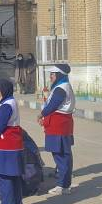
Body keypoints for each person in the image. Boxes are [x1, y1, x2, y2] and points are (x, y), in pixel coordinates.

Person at [39, 64, 75, 195]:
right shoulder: (62, 86)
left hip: (58, 125)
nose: (50, 77)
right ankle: (65, 184)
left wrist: (41, 114)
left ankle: (62, 185)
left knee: (61, 155)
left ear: (59, 75)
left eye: (53, 74)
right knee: (64, 155)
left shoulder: (61, 89)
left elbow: (53, 105)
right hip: (61, 124)